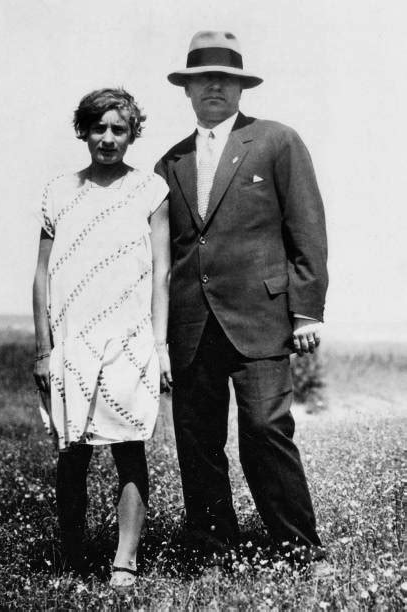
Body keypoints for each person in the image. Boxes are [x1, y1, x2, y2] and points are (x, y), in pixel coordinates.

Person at [155, 31, 329, 571]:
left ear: (239, 87)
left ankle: (300, 549)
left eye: (224, 79)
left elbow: (307, 228)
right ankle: (212, 552)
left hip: (261, 320)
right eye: (201, 79)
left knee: (265, 431)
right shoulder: (171, 163)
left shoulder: (276, 141)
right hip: (191, 326)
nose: (213, 87)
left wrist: (306, 310)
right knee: (198, 441)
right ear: (186, 90)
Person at [33, 88, 171, 588]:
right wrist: (44, 350)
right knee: (72, 454)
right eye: (99, 128)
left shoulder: (152, 190)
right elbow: (42, 275)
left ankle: (124, 560)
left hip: (129, 340)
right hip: (71, 342)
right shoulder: (58, 191)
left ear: (132, 134)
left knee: (128, 449)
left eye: (119, 129)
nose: (108, 138)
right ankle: (71, 555)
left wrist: (159, 346)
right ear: (83, 131)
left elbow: (161, 274)